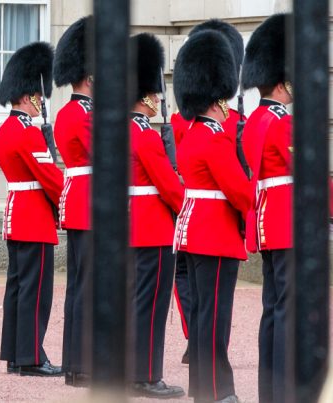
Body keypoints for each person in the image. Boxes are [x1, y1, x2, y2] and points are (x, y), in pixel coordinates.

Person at [173, 29, 254, 403]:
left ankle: (202, 389)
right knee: (215, 319)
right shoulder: (217, 137)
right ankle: (219, 390)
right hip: (216, 234)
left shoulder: (191, 135)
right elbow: (239, 191)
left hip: (194, 232)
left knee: (203, 315)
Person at [0, 41, 64, 378]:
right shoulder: (27, 134)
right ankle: (32, 356)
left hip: (15, 215)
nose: (41, 100)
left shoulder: (5, 131)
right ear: (26, 95)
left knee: (18, 289)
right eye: (37, 95)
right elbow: (51, 179)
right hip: (34, 218)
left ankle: (15, 354)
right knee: (36, 293)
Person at [127, 33, 186, 400]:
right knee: (151, 308)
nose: (161, 99)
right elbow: (168, 186)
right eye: (157, 92)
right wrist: (190, 205)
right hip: (153, 229)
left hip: (129, 227)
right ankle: (146, 375)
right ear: (147, 94)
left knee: (136, 302)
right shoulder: (145, 136)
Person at [241, 13, 293, 403]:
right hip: (288, 220)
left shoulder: (255, 120)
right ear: (280, 82)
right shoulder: (282, 123)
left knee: (273, 309)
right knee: (289, 312)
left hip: (267, 222)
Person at [52, 15, 93, 387]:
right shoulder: (83, 115)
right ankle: (82, 365)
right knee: (86, 287)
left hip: (80, 202)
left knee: (79, 286)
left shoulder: (69, 112)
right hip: (91, 204)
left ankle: (74, 362)